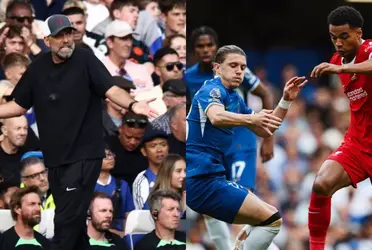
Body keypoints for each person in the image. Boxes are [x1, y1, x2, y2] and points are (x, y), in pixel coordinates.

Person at [0, 14, 157, 250]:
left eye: (68, 34)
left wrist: (134, 105)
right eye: (59, 36)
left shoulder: (85, 59)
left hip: (84, 155)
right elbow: (19, 105)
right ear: (46, 40)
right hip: (55, 159)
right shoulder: (38, 68)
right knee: (74, 223)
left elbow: (111, 89)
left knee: (64, 221)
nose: (66, 40)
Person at [186, 45, 307, 250]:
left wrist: (285, 100)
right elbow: (216, 116)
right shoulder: (211, 89)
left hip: (213, 177)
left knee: (269, 217)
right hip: (201, 180)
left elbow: (266, 128)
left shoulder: (235, 98)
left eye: (242, 67)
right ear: (217, 68)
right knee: (272, 220)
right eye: (233, 65)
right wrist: (252, 118)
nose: (239, 71)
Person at [186, 26, 275, 250]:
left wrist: (269, 136)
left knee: (255, 210)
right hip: (208, 158)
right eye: (200, 46)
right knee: (246, 214)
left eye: (210, 45)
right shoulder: (196, 82)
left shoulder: (235, 85)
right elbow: (211, 117)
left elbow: (264, 102)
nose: (206, 50)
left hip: (236, 145)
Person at [308, 6, 372, 250]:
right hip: (358, 143)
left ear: (359, 33)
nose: (338, 43)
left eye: (344, 36)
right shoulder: (336, 61)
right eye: (333, 37)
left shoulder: (368, 50)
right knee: (321, 183)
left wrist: (342, 69)